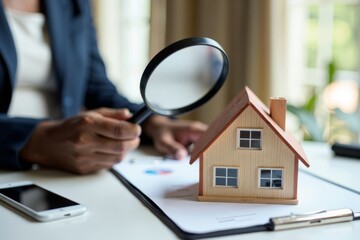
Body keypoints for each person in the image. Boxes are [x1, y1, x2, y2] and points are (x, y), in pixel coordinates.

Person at [0, 0, 207, 174]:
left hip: (61, 173)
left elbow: (97, 89)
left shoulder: (74, 3)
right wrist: (35, 141)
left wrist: (154, 124)